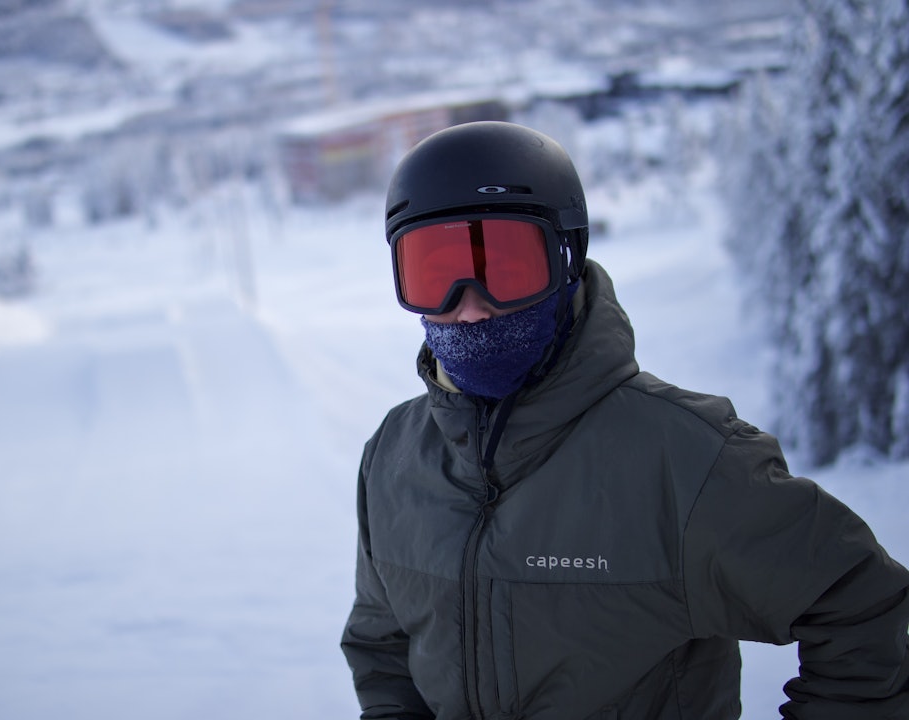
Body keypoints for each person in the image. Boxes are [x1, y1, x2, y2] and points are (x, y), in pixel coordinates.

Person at [340, 121, 909, 719]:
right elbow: (382, 650)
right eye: (435, 274)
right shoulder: (393, 458)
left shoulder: (687, 459)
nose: (470, 305)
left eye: (506, 266)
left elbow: (863, 610)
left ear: (567, 257)